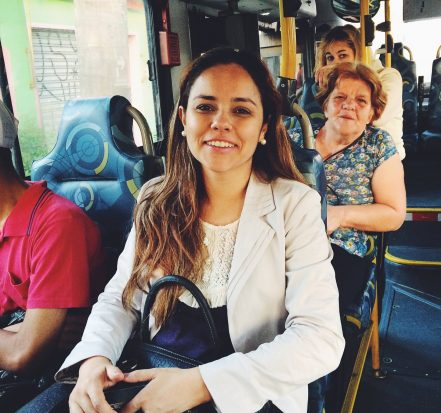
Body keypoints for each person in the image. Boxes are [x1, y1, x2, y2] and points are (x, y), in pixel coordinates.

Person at [55, 48, 345, 413]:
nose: (220, 123)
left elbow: (320, 337)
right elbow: (122, 298)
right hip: (153, 375)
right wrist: (95, 358)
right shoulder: (155, 199)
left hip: (253, 394)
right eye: (205, 107)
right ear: (183, 119)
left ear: (264, 128)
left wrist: (204, 384)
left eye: (241, 110)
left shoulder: (294, 205)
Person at [306, 62, 406, 413]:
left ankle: (322, 397)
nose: (349, 105)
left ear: (373, 112)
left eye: (361, 101)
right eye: (340, 97)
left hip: (343, 248)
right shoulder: (296, 134)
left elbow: (393, 214)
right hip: (286, 237)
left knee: (320, 316)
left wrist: (340, 215)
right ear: (325, 104)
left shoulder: (378, 145)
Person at [0, 101, 104, 377]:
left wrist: (24, 334)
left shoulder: (57, 223)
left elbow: (24, 354)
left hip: (48, 377)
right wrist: (16, 330)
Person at [290, 25, 405, 160]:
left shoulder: (389, 77)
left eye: (343, 56)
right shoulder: (332, 87)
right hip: (345, 156)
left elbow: (376, 118)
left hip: (383, 157)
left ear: (359, 55)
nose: (335, 64)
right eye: (330, 58)